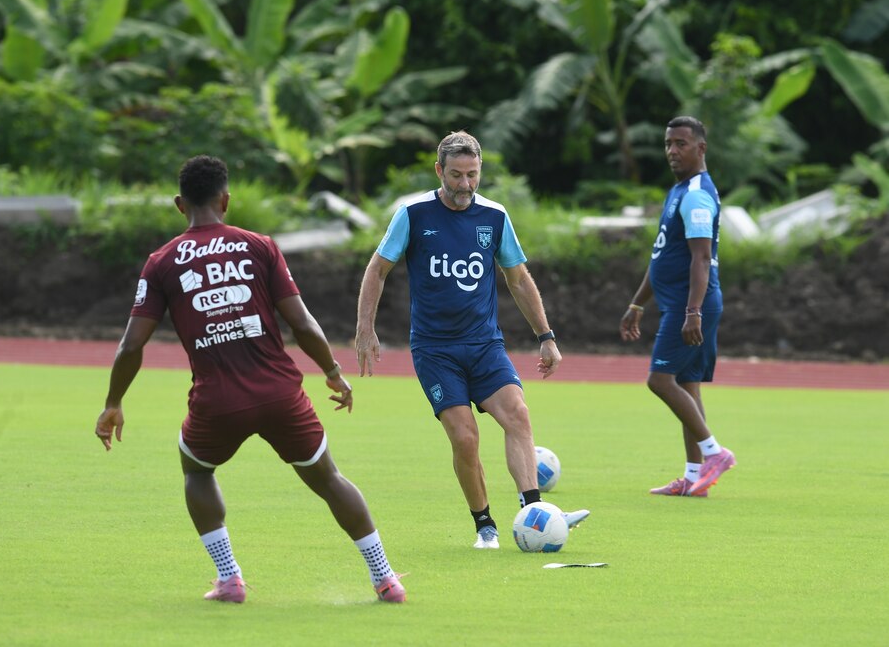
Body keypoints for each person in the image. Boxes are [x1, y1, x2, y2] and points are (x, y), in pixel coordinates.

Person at [93, 155, 405, 603]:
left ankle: (230, 579)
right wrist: (334, 373)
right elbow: (302, 324)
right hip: (281, 394)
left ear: (180, 204)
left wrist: (113, 403)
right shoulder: (258, 246)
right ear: (226, 199)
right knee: (329, 479)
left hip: (217, 402)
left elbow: (131, 346)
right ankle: (386, 579)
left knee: (196, 471)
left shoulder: (161, 262)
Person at [355, 131, 590, 549]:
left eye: (473, 175)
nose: (465, 185)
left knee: (517, 414)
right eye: (457, 175)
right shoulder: (413, 214)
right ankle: (485, 525)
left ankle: (534, 513)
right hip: (435, 350)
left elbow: (518, 279)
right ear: (439, 170)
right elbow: (377, 269)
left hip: (484, 345)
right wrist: (365, 328)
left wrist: (546, 336)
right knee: (465, 438)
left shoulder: (495, 216)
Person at [619, 116, 736, 497]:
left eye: (681, 144)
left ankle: (714, 453)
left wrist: (693, 311)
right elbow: (662, 258)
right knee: (687, 386)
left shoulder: (698, 194)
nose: (672, 151)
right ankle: (692, 477)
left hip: (689, 307)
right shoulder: (680, 190)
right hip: (678, 304)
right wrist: (638, 303)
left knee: (659, 380)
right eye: (668, 143)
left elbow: (701, 259)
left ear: (701, 148)